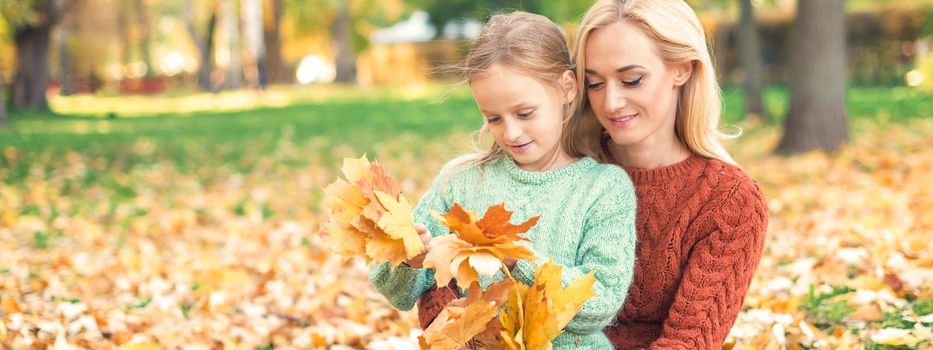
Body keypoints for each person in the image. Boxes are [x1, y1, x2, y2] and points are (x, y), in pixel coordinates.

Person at [368, 11, 638, 349]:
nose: (510, 132)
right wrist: (410, 260)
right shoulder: (462, 182)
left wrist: (518, 260)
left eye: (525, 113)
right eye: (493, 118)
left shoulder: (603, 189)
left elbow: (600, 303)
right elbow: (398, 293)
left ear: (566, 88)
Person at [572, 0, 770, 348]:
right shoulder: (567, 173)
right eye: (595, 84)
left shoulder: (729, 201)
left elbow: (689, 342)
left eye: (631, 80)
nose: (611, 102)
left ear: (682, 69)